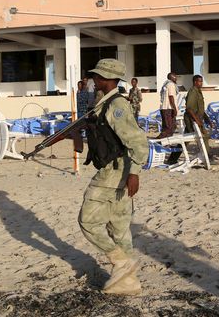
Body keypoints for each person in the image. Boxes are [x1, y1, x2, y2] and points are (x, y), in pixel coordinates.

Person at [77, 58, 148, 295]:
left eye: (98, 77)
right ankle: (128, 282)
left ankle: (120, 262)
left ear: (107, 79)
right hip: (118, 171)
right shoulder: (104, 103)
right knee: (119, 227)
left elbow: (138, 143)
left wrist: (134, 173)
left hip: (114, 173)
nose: (94, 80)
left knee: (87, 221)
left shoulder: (116, 106)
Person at [178, 74, 212, 161]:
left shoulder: (198, 91)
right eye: (200, 81)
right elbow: (189, 108)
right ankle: (208, 157)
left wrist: (207, 119)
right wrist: (197, 121)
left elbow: (200, 108)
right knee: (203, 137)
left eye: (202, 81)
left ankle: (173, 157)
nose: (201, 83)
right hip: (192, 119)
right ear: (195, 82)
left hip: (197, 119)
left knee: (186, 139)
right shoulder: (193, 91)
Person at [157, 72, 178, 138]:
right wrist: (174, 108)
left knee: (166, 127)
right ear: (171, 77)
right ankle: (162, 141)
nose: (176, 78)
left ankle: (164, 142)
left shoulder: (165, 85)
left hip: (164, 108)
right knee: (170, 127)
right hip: (169, 108)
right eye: (174, 76)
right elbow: (171, 97)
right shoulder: (171, 84)